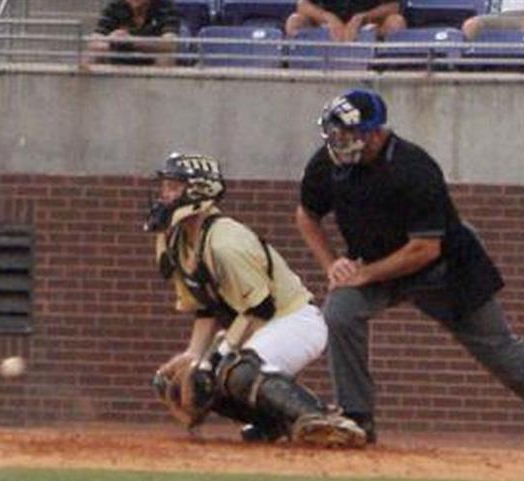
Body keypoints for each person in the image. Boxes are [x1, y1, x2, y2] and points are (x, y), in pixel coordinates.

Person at [295, 89, 524, 443]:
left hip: (444, 268)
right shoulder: (328, 163)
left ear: (373, 132)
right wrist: (332, 264)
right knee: (340, 313)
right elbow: (306, 215)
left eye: (347, 134)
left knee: (500, 351)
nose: (338, 142)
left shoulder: (413, 168)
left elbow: (425, 249)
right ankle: (356, 417)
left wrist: (365, 273)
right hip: (376, 263)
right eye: (334, 133)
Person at [147, 152, 366, 448]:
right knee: (190, 380)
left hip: (293, 321)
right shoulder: (173, 241)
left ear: (199, 191)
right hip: (255, 324)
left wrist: (211, 361)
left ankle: (322, 418)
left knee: (234, 371)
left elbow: (260, 309)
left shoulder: (225, 241)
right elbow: (205, 309)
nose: (164, 195)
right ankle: (274, 423)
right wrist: (192, 356)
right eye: (165, 187)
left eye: (174, 187)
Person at [86, 0, 180, 67]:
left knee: (166, 57)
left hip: (150, 56)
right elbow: (94, 40)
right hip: (119, 56)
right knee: (92, 55)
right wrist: (110, 40)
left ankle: (157, 93)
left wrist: (132, 41)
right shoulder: (115, 6)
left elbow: (170, 44)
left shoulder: (166, 7)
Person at [285, 0, 405, 42]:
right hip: (327, 26)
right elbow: (302, 5)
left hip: (368, 25)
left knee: (396, 22)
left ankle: (382, 67)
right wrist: (328, 18)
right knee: (295, 21)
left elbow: (394, 6)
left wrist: (364, 17)